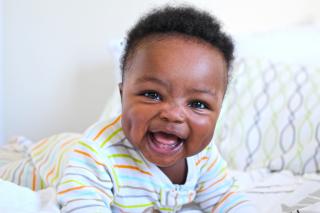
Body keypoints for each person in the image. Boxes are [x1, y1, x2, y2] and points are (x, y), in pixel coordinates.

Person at [0, 5, 256, 212]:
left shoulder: (204, 157)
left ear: (219, 110)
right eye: (153, 94)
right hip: (54, 157)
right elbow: (82, 205)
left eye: (197, 104)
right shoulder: (96, 156)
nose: (173, 114)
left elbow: (226, 197)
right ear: (123, 95)